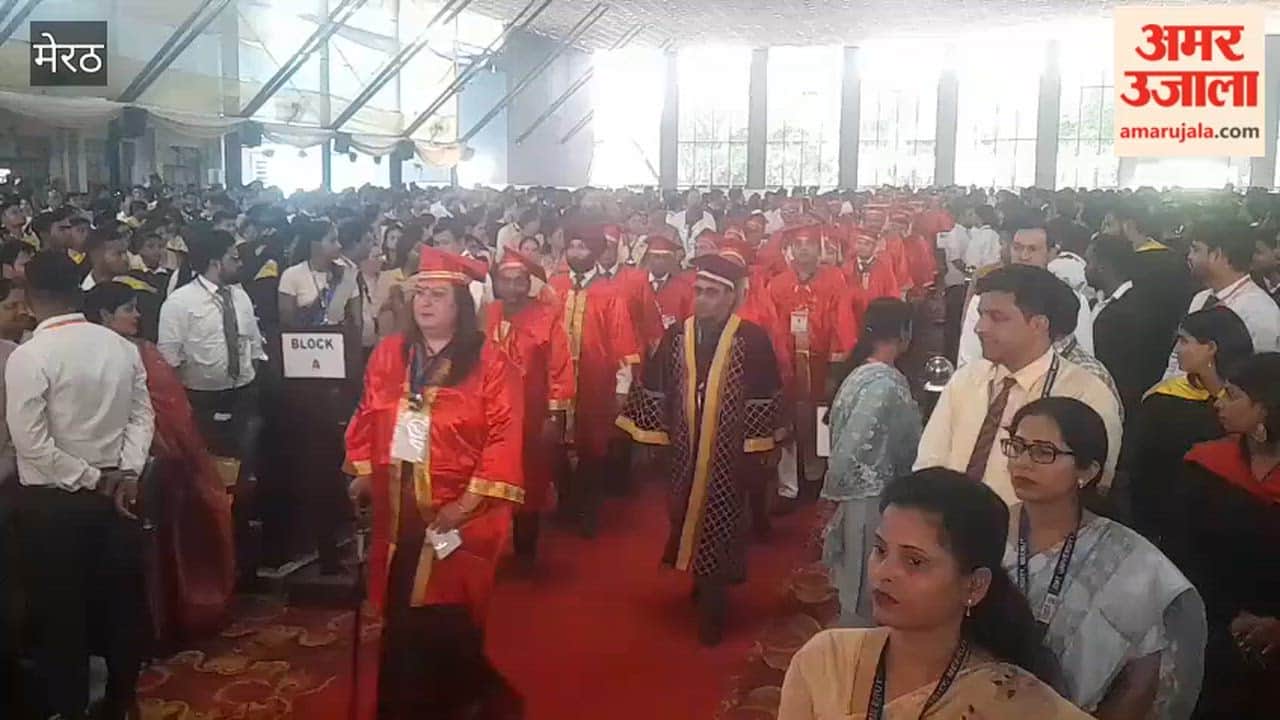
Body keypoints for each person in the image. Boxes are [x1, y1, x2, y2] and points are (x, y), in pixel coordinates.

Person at [345, 245, 524, 719]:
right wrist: (363, 473)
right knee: (402, 619)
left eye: (437, 295)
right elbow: (366, 415)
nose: (424, 303)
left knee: (445, 619)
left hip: (460, 518)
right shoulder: (391, 354)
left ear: (460, 305)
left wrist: (464, 504)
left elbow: (505, 438)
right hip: (398, 511)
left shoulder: (491, 363)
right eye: (419, 293)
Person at [779, 468, 1090, 720]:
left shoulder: (1011, 700)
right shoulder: (826, 660)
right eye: (880, 550)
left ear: (974, 586)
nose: (884, 572)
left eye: (914, 562)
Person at [6, 251, 154, 720]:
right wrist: (126, 473)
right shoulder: (118, 345)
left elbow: (31, 443)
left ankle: (69, 707)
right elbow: (141, 415)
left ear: (31, 298)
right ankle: (122, 699)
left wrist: (93, 479)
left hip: (54, 503)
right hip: (119, 497)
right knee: (119, 605)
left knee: (60, 612)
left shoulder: (30, 355)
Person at [1000, 397, 1205, 718]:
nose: (1022, 462)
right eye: (1017, 446)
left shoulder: (1131, 562)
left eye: (1043, 452)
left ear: (1088, 470)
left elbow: (1143, 680)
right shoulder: (985, 531)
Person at [616, 253, 782, 645]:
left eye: (712, 293)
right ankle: (700, 577)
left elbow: (764, 396)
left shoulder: (752, 339)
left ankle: (714, 606)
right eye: (699, 291)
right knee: (683, 513)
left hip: (730, 454)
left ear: (730, 298)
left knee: (722, 522)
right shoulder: (678, 336)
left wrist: (757, 452)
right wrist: (655, 440)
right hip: (684, 449)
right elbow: (658, 385)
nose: (702, 300)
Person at [83, 282, 235, 646]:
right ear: (104, 315)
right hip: (142, 465)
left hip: (110, 467)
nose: (137, 315)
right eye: (128, 309)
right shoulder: (141, 354)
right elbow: (176, 417)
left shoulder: (94, 353)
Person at [916, 265, 1122, 505]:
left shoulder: (1085, 393)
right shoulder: (967, 378)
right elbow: (929, 464)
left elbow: (1094, 488)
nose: (979, 328)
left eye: (997, 317)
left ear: (1038, 325)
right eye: (981, 314)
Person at [1172, 353, 1280, 719]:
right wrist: (1227, 618)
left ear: (1264, 411)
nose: (1220, 401)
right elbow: (1180, 550)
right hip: (1211, 629)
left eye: (1232, 395)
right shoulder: (1206, 465)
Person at [821, 298, 921, 627]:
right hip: (871, 494)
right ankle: (857, 650)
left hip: (860, 492)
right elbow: (857, 442)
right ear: (904, 332)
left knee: (858, 574)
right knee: (865, 581)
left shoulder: (860, 372)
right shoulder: (884, 384)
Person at [1129, 307, 1253, 548]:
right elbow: (1140, 471)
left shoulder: (1253, 399)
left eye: (1185, 341)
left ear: (1211, 348)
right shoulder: (1163, 399)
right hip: (1170, 525)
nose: (1176, 349)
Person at [546, 223, 640, 537]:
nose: (576, 253)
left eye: (583, 247)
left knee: (592, 446)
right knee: (555, 443)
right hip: (555, 379)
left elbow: (621, 338)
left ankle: (589, 509)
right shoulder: (553, 286)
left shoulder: (610, 291)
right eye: (571, 247)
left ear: (596, 252)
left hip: (595, 381)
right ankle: (565, 502)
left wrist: (623, 386)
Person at [157, 229, 266, 492]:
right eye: (234, 258)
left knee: (244, 468)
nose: (240, 264)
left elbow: (253, 343)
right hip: (202, 400)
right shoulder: (179, 303)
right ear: (216, 263)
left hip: (243, 394)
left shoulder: (240, 296)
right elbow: (169, 360)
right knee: (206, 474)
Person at [484, 248, 574, 565]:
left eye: (519, 280)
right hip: (488, 416)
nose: (512, 288)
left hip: (531, 415)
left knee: (529, 480)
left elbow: (559, 369)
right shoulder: (486, 315)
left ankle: (525, 549)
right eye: (505, 281)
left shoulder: (546, 319)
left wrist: (554, 416)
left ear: (528, 283)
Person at [767, 224, 856, 510]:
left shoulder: (834, 280)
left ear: (820, 250)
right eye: (799, 244)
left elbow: (841, 322)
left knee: (821, 418)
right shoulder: (778, 284)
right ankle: (788, 488)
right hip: (788, 363)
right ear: (791, 250)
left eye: (810, 244)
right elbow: (772, 325)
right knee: (787, 422)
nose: (804, 249)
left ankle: (817, 478)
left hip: (821, 362)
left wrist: (836, 365)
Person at [959, 228, 1093, 367]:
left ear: (1051, 253)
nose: (1023, 256)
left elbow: (1084, 357)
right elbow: (968, 360)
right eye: (1017, 248)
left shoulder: (1073, 300)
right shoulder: (985, 299)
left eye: (1033, 249)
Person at [1164, 220, 1280, 376]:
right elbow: (1176, 358)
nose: (1189, 257)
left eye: (1195, 250)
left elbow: (1263, 379)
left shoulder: (1260, 311)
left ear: (1217, 254)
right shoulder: (1201, 298)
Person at [1087, 233, 1169, 419]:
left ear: (1102, 266)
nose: (1086, 268)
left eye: (1088, 262)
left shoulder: (1131, 311)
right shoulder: (1100, 303)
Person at [279, 219, 360, 329]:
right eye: (333, 241)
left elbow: (356, 321)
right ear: (315, 245)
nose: (339, 245)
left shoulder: (346, 275)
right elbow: (287, 322)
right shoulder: (292, 275)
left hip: (339, 341)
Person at [667, 188, 717, 255]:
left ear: (701, 201)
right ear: (686, 201)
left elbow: (711, 240)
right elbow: (672, 239)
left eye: (697, 198)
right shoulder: (677, 218)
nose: (695, 201)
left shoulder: (708, 218)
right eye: (692, 198)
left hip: (701, 257)